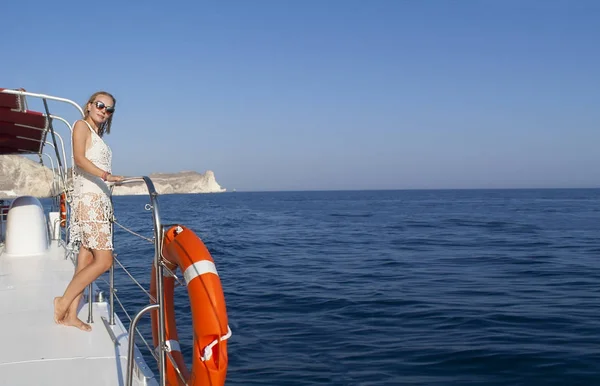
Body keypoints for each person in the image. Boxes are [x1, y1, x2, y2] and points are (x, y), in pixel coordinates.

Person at [54, 91, 124, 331]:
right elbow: (79, 159)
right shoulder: (81, 125)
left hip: (99, 200)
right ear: (89, 105)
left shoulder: (95, 133)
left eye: (109, 109)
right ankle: (62, 302)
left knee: (85, 259)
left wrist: (108, 182)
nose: (104, 110)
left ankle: (71, 314)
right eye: (100, 105)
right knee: (104, 260)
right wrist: (107, 176)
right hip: (89, 201)